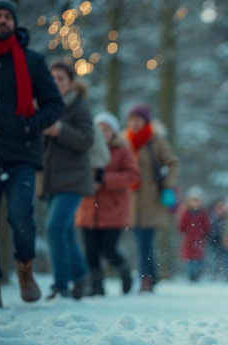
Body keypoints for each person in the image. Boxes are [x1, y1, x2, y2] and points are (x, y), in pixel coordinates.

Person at [0, 0, 63, 308]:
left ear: (14, 23)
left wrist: (30, 125)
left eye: (7, 16)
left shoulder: (32, 61)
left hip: (20, 157)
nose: (2, 21)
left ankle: (25, 269)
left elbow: (54, 104)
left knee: (21, 217)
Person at [42, 61, 94, 300]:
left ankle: (61, 284)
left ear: (71, 82)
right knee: (65, 232)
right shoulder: (44, 106)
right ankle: (81, 276)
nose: (56, 82)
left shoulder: (79, 107)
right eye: (52, 78)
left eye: (60, 78)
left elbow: (86, 140)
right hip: (50, 179)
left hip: (74, 179)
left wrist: (59, 130)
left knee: (54, 228)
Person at [75, 112, 139, 296]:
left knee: (108, 249)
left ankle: (125, 272)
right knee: (90, 251)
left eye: (107, 128)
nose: (103, 131)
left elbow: (132, 177)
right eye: (99, 127)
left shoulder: (122, 150)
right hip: (87, 208)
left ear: (114, 131)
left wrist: (104, 179)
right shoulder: (85, 148)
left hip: (113, 209)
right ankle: (96, 286)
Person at [125, 103, 179, 292]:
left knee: (145, 241)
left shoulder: (156, 142)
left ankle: (146, 279)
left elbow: (173, 163)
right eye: (131, 119)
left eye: (137, 119)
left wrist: (167, 183)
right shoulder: (125, 141)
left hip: (151, 201)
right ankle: (151, 276)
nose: (133, 123)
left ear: (146, 121)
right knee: (141, 241)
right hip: (130, 201)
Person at [177, 186, 210, 282]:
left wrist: (205, 233)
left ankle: (197, 275)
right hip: (189, 239)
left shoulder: (203, 213)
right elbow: (182, 225)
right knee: (190, 259)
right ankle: (191, 276)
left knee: (199, 258)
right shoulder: (186, 212)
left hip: (199, 239)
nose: (195, 203)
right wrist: (182, 231)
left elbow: (206, 225)